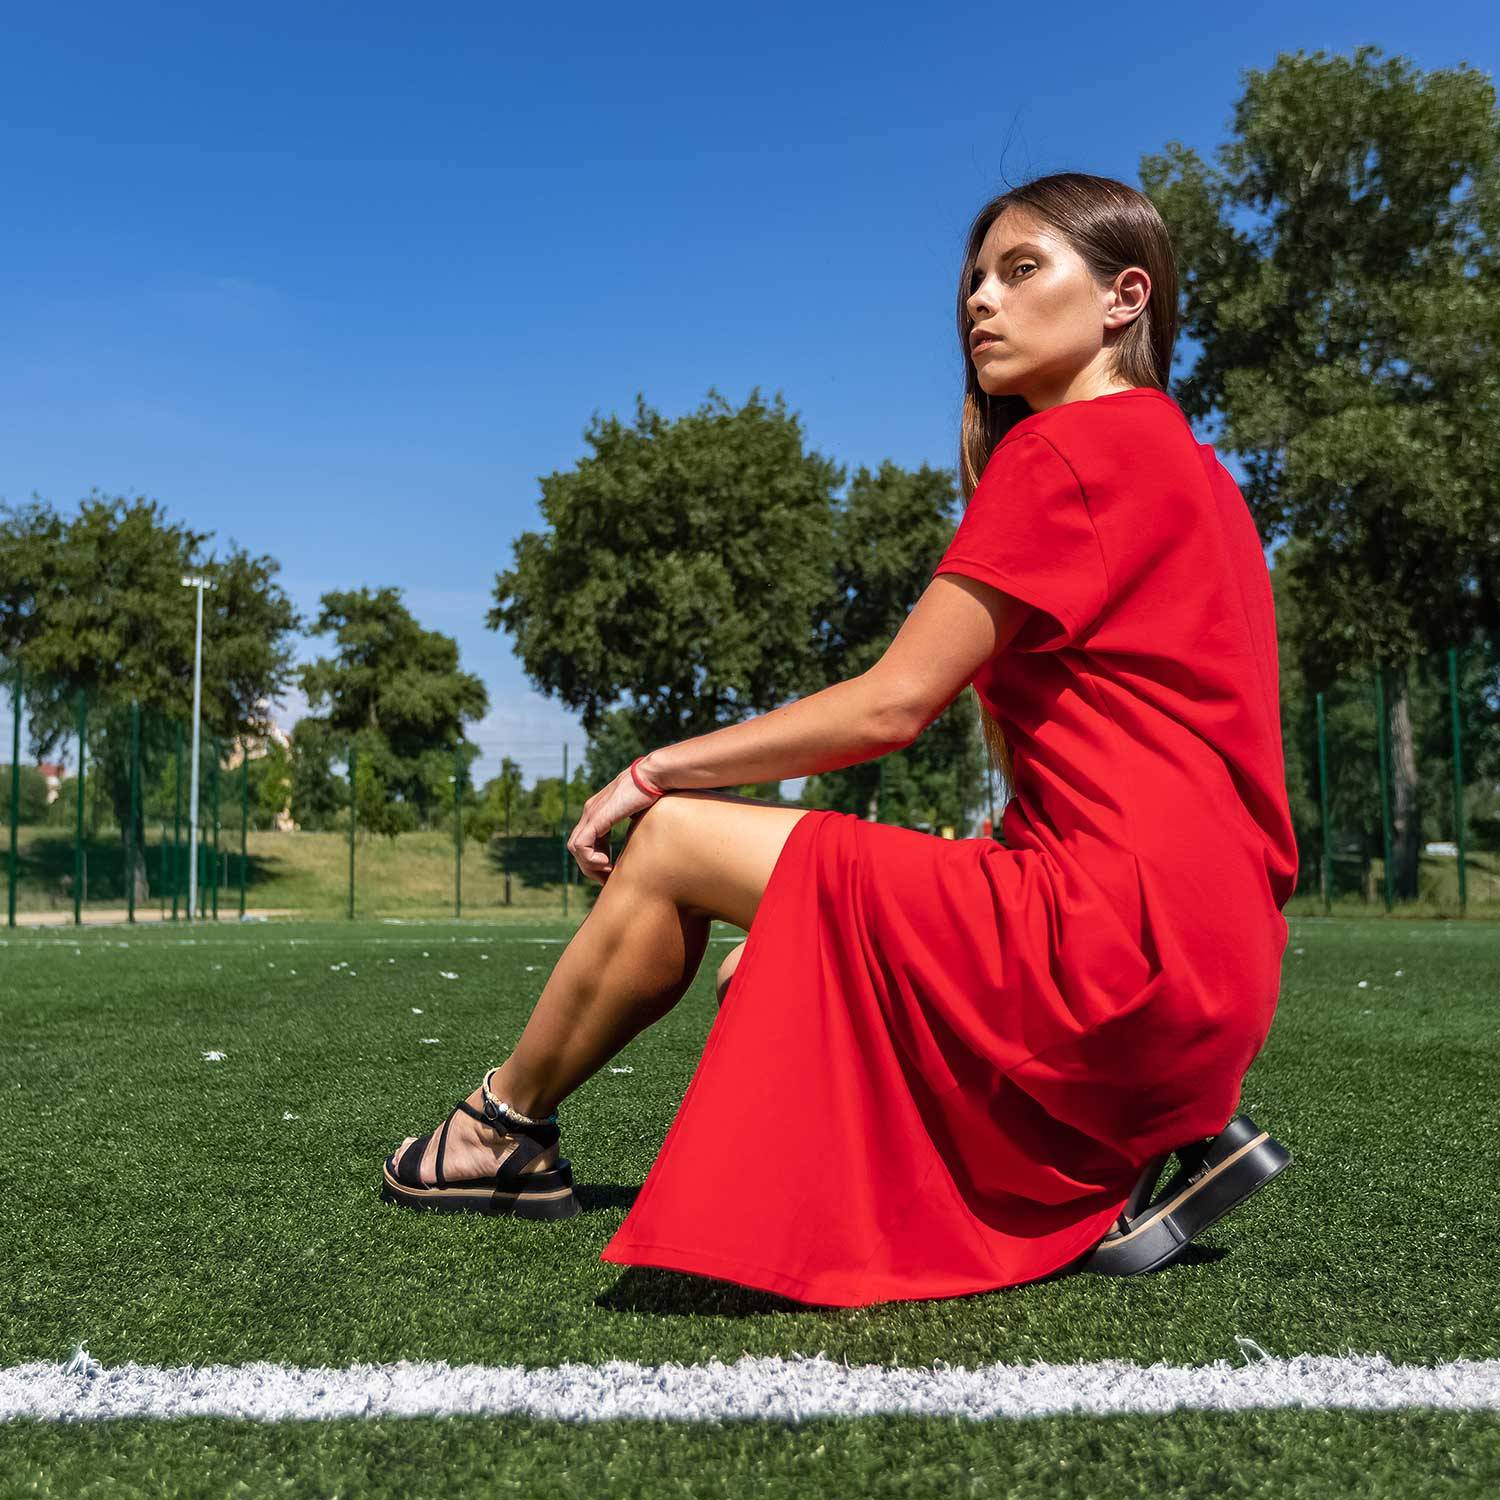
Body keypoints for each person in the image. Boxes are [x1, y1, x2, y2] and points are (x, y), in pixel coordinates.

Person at [381, 170, 1299, 1308]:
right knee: (764, 968)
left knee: (673, 840)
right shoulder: (1201, 475)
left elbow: (886, 709)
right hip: (1213, 973)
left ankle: (499, 1129)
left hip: (1107, 943)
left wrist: (655, 769)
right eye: (974, 280)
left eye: (1022, 271)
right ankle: (1135, 1133)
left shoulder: (1064, 453)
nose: (981, 302)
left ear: (1125, 297)